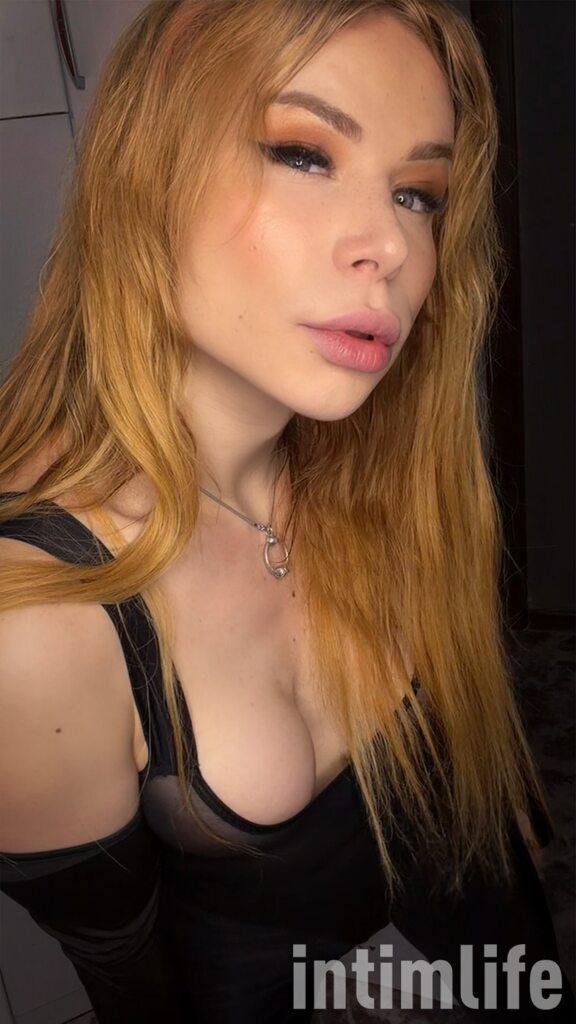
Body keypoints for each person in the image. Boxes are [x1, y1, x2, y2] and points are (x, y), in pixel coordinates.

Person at [0, 0, 572, 1021]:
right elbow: (138, 995)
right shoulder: (38, 620)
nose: (390, 244)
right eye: (305, 154)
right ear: (147, 170)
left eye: (418, 193)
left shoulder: (368, 460)